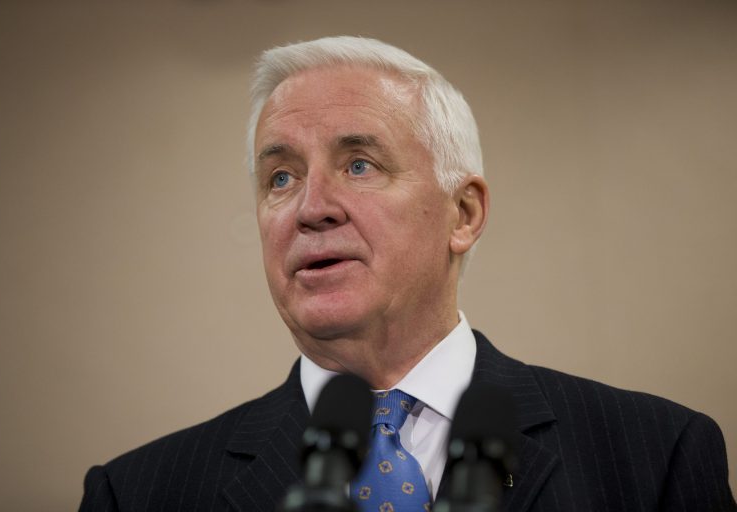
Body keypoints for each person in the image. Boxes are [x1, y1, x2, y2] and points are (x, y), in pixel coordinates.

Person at [79, 36, 734, 512]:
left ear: (463, 214)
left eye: (359, 164)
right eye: (280, 177)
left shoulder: (655, 458)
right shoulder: (137, 494)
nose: (311, 207)